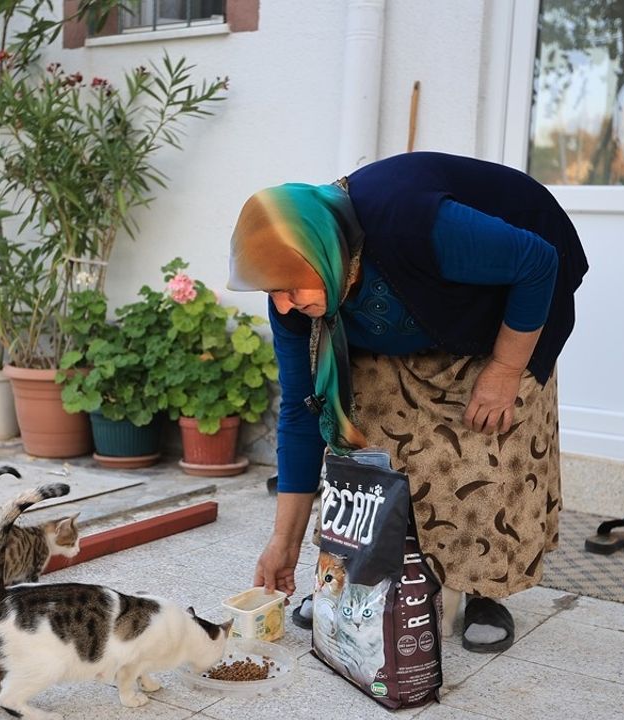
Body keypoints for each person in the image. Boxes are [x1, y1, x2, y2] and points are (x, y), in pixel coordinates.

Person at [228, 151, 588, 653]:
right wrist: (282, 543)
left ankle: (484, 590)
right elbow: (300, 411)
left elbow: (537, 261)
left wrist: (505, 371)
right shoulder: (294, 293)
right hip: (400, 321)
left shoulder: (409, 222)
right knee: (365, 435)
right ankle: (352, 578)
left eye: (290, 288)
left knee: (488, 443)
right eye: (273, 292)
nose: (284, 304)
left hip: (503, 302)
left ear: (324, 252)